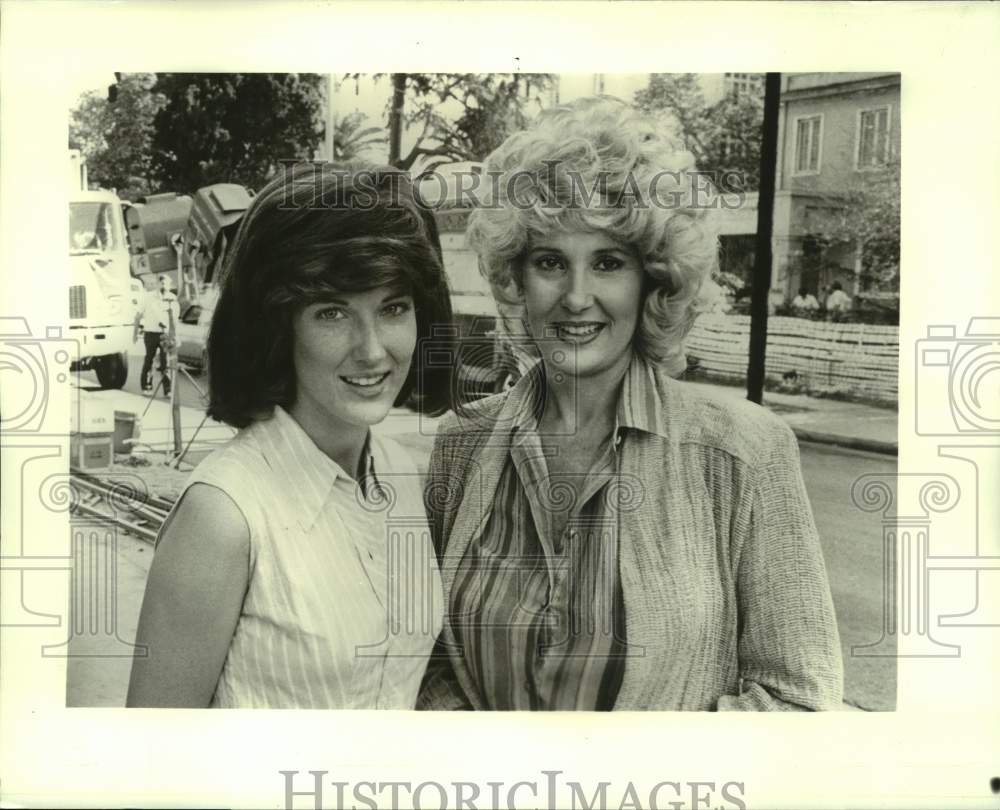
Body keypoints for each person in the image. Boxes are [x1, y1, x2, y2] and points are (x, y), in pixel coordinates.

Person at [419, 97, 843, 711]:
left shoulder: (743, 452)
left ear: (655, 281)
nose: (576, 296)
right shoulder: (462, 444)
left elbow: (800, 701)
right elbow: (428, 656)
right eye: (550, 262)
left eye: (609, 263)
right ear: (516, 276)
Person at [127, 163, 453, 708]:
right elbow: (151, 763)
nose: (373, 350)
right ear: (279, 325)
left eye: (393, 308)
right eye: (332, 313)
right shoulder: (224, 517)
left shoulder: (401, 475)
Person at [134, 273, 179, 396]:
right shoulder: (148, 297)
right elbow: (138, 315)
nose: (164, 286)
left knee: (166, 362)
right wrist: (134, 333)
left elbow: (175, 318)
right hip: (151, 333)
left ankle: (168, 389)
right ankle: (147, 386)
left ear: (170, 285)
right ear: (157, 284)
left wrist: (174, 334)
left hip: (165, 334)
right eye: (161, 283)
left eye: (166, 284)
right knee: (149, 359)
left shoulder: (172, 298)